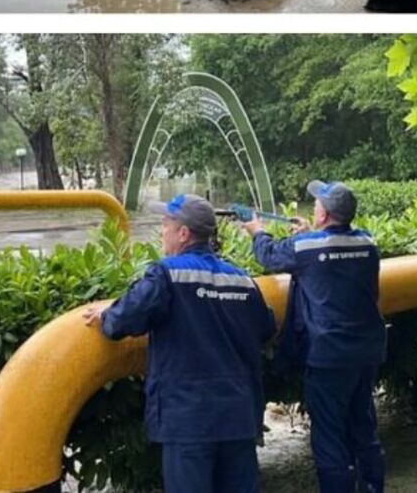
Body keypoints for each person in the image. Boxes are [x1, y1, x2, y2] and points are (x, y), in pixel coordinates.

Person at [81, 194, 276, 493]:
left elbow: (121, 322)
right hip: (238, 416)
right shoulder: (242, 280)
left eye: (165, 226)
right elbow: (265, 328)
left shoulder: (166, 275)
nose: (162, 233)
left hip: (190, 421)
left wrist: (106, 313)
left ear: (183, 233)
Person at [244, 181, 386, 493]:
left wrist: (256, 229)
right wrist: (310, 231)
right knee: (364, 426)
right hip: (367, 351)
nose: (314, 207)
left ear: (323, 215)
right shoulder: (368, 243)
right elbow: (328, 252)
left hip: (329, 356)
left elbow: (268, 256)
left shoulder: (308, 247)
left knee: (329, 435)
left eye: (317, 204)